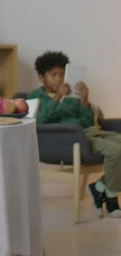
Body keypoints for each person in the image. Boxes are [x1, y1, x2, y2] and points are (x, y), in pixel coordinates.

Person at [29, 51, 121, 218]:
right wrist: (58, 96)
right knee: (115, 151)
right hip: (70, 141)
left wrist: (85, 100)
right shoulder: (36, 97)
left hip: (90, 133)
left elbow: (87, 122)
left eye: (62, 75)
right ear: (41, 77)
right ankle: (112, 195)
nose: (59, 79)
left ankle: (100, 186)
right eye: (53, 75)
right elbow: (40, 119)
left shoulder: (72, 97)